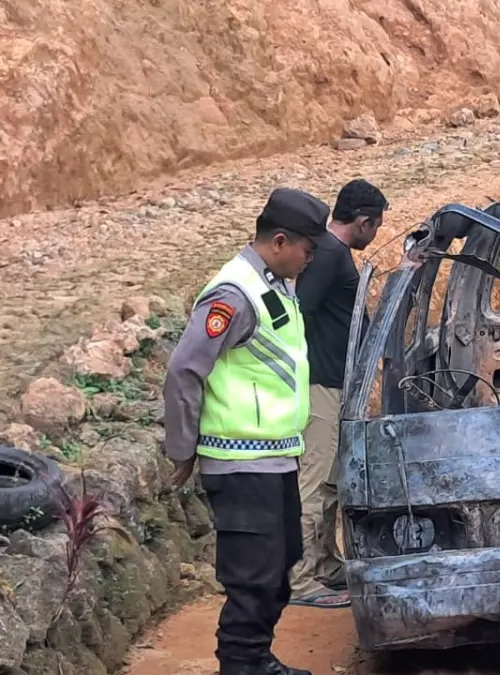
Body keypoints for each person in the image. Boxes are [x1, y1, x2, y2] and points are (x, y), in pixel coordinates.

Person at [162, 187, 329, 675]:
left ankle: (256, 659)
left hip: (276, 456)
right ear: (279, 241)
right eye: (307, 249)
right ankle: (240, 665)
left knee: (283, 564)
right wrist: (183, 449)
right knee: (253, 578)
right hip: (239, 463)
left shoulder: (276, 285)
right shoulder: (232, 294)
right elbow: (184, 371)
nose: (310, 258)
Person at [288, 179, 389, 608]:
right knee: (314, 482)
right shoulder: (330, 254)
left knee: (329, 480)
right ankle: (300, 579)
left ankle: (327, 563)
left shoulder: (332, 253)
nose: (377, 233)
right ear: (363, 221)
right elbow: (299, 312)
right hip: (322, 383)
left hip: (333, 383)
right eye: (378, 225)